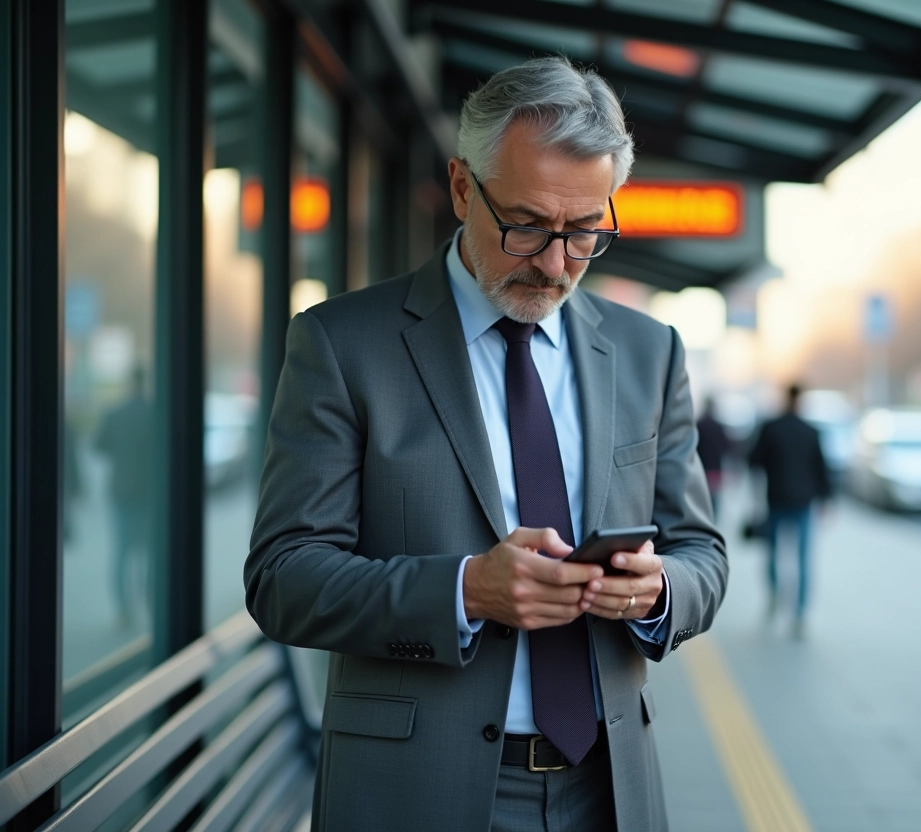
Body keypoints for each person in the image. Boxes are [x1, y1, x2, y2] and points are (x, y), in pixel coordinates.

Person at [246, 57, 727, 832]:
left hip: (610, 791)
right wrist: (466, 590)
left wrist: (658, 589)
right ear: (463, 188)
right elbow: (283, 578)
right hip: (414, 792)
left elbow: (703, 553)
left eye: (584, 232)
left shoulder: (650, 352)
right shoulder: (342, 345)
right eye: (527, 224)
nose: (555, 264)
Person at [747, 384, 833, 639]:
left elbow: (753, 460)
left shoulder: (771, 428)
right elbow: (821, 468)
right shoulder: (811, 431)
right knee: (803, 559)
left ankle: (775, 595)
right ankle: (800, 612)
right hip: (804, 503)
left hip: (776, 500)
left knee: (773, 554)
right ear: (801, 400)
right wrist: (825, 499)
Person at [95, 366, 154, 627]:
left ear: (129, 383)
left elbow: (99, 446)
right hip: (150, 492)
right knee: (151, 552)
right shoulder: (155, 413)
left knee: (121, 551)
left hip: (121, 491)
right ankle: (151, 601)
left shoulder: (115, 414)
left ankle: (123, 609)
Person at [696, 397, 731, 519]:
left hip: (701, 468)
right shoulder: (719, 427)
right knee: (714, 500)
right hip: (715, 469)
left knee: (702, 499)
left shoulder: (699, 425)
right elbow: (726, 447)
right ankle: (713, 521)